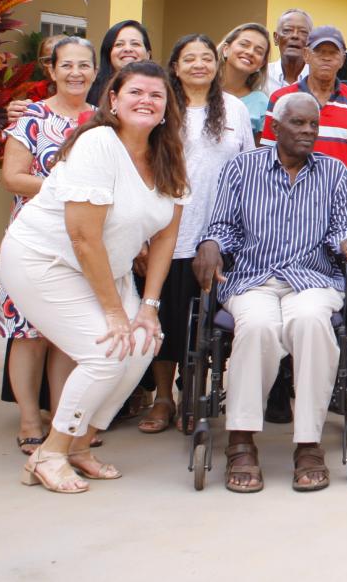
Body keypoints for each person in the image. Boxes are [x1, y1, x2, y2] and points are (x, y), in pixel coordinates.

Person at [0, 61, 187, 493]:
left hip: (107, 266)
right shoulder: (99, 143)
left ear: (165, 109)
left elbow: (166, 237)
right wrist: (113, 313)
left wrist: (148, 308)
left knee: (143, 342)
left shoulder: (168, 154)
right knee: (106, 349)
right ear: (114, 100)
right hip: (45, 259)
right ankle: (50, 452)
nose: (147, 101)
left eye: (156, 95)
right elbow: (83, 237)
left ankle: (80, 445)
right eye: (136, 92)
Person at [195, 91, 347, 493]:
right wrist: (210, 245)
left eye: (313, 124)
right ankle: (240, 441)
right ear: (274, 128)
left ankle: (308, 444)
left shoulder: (334, 173)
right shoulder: (242, 169)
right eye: (298, 123)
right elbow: (223, 225)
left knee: (311, 323)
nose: (308, 131)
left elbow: (341, 229)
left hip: (313, 278)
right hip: (254, 277)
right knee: (256, 327)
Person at [139, 34, 253, 435]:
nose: (199, 64)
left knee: (205, 324)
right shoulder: (161, 107)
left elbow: (247, 171)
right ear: (174, 66)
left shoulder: (235, 109)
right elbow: (143, 167)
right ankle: (163, 398)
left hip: (220, 233)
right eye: (190, 58)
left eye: (207, 57)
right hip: (168, 230)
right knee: (166, 317)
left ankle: (194, 394)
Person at [0, 36, 94, 455]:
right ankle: (29, 418)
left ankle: (62, 417)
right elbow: (13, 178)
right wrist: (67, 189)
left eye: (84, 65)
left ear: (95, 71)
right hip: (34, 242)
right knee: (28, 332)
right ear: (51, 71)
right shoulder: (32, 116)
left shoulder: (103, 120)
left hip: (84, 243)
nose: (76, 73)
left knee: (68, 334)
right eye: (67, 65)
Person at [262, 25, 347, 190]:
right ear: (306, 55)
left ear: (342, 59)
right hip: (287, 198)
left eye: (333, 53)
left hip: (339, 204)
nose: (326, 58)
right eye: (319, 52)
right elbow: (267, 154)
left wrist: (340, 194)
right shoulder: (281, 98)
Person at [217, 22, 272, 137]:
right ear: (226, 49)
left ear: (261, 64)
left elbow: (258, 152)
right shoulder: (201, 89)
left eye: (258, 51)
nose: (250, 52)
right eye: (244, 44)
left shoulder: (262, 103)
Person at [86, 19, 151, 106]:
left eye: (135, 44)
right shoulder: (90, 90)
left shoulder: (160, 88)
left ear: (147, 54)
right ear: (108, 53)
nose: (128, 49)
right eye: (119, 44)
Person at [265, 8, 312, 93]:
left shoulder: (318, 79)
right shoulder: (261, 77)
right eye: (287, 30)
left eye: (303, 32)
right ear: (276, 38)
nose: (295, 36)